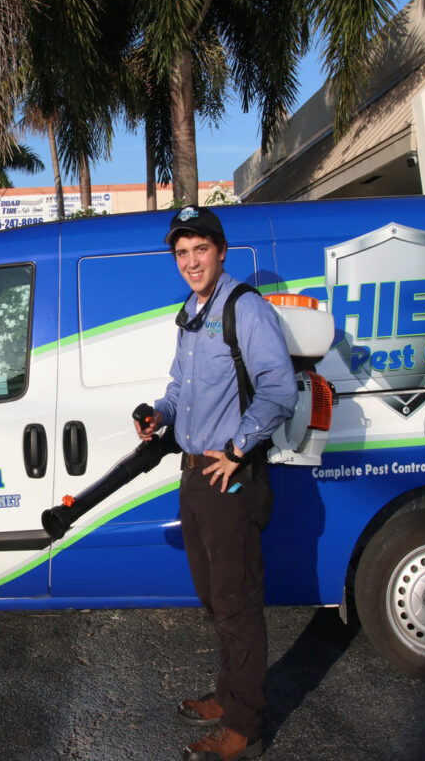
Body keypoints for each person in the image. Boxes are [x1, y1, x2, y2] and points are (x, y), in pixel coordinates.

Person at [135, 205, 297, 761]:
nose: (190, 261)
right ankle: (229, 695)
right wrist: (159, 412)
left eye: (199, 249)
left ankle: (244, 726)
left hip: (230, 478)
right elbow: (180, 387)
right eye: (181, 253)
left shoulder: (244, 308)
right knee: (213, 597)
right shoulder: (191, 311)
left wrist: (237, 447)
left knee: (236, 601)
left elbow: (280, 388)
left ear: (220, 251)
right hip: (195, 476)